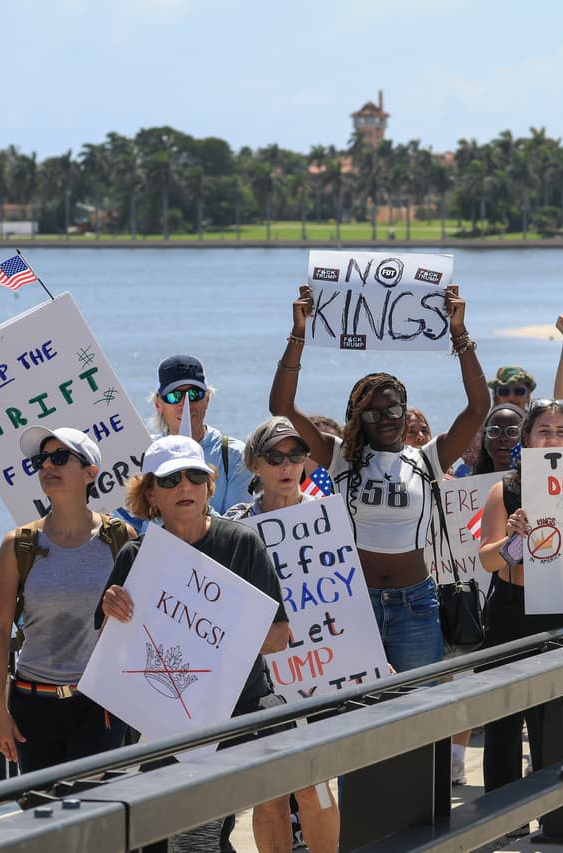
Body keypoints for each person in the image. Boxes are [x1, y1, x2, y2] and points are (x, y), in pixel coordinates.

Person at [270, 284, 489, 673]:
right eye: (371, 413)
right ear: (358, 418)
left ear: (405, 410)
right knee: (356, 704)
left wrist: (459, 332)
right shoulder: (341, 458)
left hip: (416, 606)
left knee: (418, 703)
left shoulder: (428, 458)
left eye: (393, 410)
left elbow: (478, 408)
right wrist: (298, 334)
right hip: (355, 603)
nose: (385, 419)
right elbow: (281, 407)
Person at [99, 435, 296, 853]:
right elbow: (109, 649)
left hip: (243, 709)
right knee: (178, 838)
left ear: (209, 486)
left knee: (269, 801)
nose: (184, 487)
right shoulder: (134, 557)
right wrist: (111, 611)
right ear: (150, 494)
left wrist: (214, 632)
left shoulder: (242, 543)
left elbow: (279, 637)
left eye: (194, 476)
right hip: (166, 719)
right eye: (170, 480)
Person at [221, 417, 340, 853]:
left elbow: (348, 593)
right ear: (255, 464)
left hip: (318, 667)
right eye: (274, 457)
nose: (287, 465)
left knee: (313, 785)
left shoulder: (327, 514)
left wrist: (367, 653)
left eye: (296, 454)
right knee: (269, 790)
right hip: (259, 678)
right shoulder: (235, 525)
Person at [0, 427, 132, 772]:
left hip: (100, 703)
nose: (47, 466)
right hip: (33, 704)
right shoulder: (18, 544)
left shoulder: (119, 538)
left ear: (90, 473)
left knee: (90, 802)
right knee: (43, 804)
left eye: (60, 457)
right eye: (42, 460)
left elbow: (140, 620)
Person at [477, 400, 563, 795]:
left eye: (561, 432)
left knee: (557, 723)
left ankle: (556, 809)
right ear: (526, 438)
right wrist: (514, 539)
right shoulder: (503, 490)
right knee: (504, 723)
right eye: (544, 431)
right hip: (512, 612)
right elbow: (488, 561)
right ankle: (504, 814)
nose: (552, 439)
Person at [151, 355, 252, 514]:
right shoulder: (145, 454)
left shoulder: (235, 456)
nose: (185, 404)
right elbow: (133, 520)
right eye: (174, 396)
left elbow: (238, 524)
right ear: (159, 405)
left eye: (194, 394)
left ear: (207, 399)